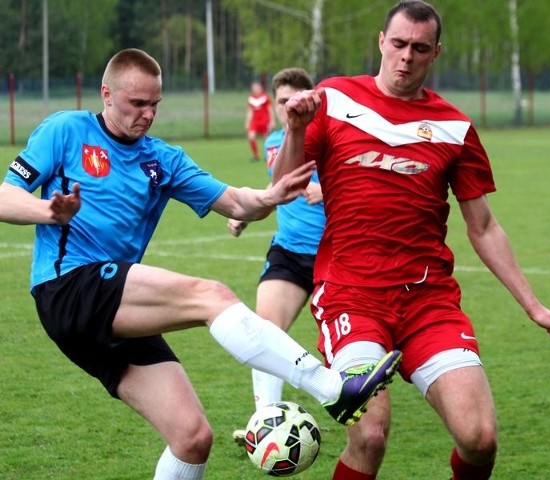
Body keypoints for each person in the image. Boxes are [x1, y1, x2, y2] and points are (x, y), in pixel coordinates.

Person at [0, 48, 402, 480]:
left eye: (155, 104)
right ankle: (333, 390)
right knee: (210, 295)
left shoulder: (162, 159)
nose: (148, 114)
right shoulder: (66, 130)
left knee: (192, 437)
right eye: (137, 104)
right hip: (68, 285)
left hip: (112, 307)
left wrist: (265, 198)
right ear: (106, 94)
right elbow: (6, 195)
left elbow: (234, 201)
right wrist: (48, 213)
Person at [272, 2, 550, 479]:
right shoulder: (333, 99)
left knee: (480, 439)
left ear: (435, 52)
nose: (405, 57)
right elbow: (282, 182)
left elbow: (484, 226)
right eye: (397, 44)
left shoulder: (454, 127)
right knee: (369, 436)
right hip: (352, 296)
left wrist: (531, 304)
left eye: (418, 48)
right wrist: (294, 129)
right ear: (381, 42)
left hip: (427, 300)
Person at [227, 67, 325, 445]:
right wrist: (244, 218)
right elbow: (276, 188)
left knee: (345, 345)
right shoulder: (274, 141)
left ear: (311, 101)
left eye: (295, 100)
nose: (289, 107)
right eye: (282, 101)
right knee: (265, 328)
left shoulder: (332, 139)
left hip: (336, 255)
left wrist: (326, 193)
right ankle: (265, 423)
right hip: (289, 251)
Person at [245, 80, 275, 161]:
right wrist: (247, 122)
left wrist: (272, 121)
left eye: (257, 87)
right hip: (255, 121)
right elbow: (250, 111)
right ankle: (256, 155)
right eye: (254, 88)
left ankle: (268, 156)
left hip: (264, 120)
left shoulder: (265, 97)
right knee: (251, 137)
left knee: (267, 139)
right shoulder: (251, 98)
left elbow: (270, 110)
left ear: (260, 88)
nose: (255, 89)